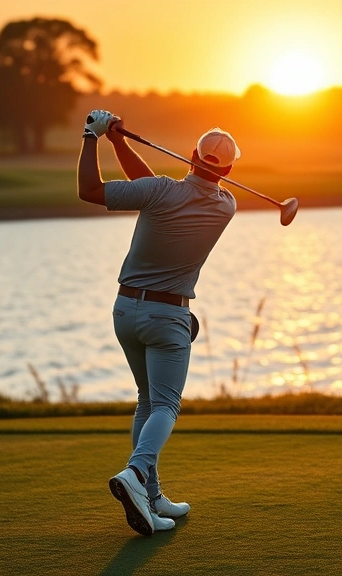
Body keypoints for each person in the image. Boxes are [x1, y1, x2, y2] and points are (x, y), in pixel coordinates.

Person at [77, 110, 239, 536]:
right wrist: (118, 144)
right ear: (230, 170)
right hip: (169, 317)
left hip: (125, 312)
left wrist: (94, 137)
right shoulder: (227, 205)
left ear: (191, 156)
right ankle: (135, 473)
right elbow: (154, 189)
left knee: (147, 402)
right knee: (166, 406)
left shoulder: (160, 192)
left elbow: (90, 190)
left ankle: (150, 496)